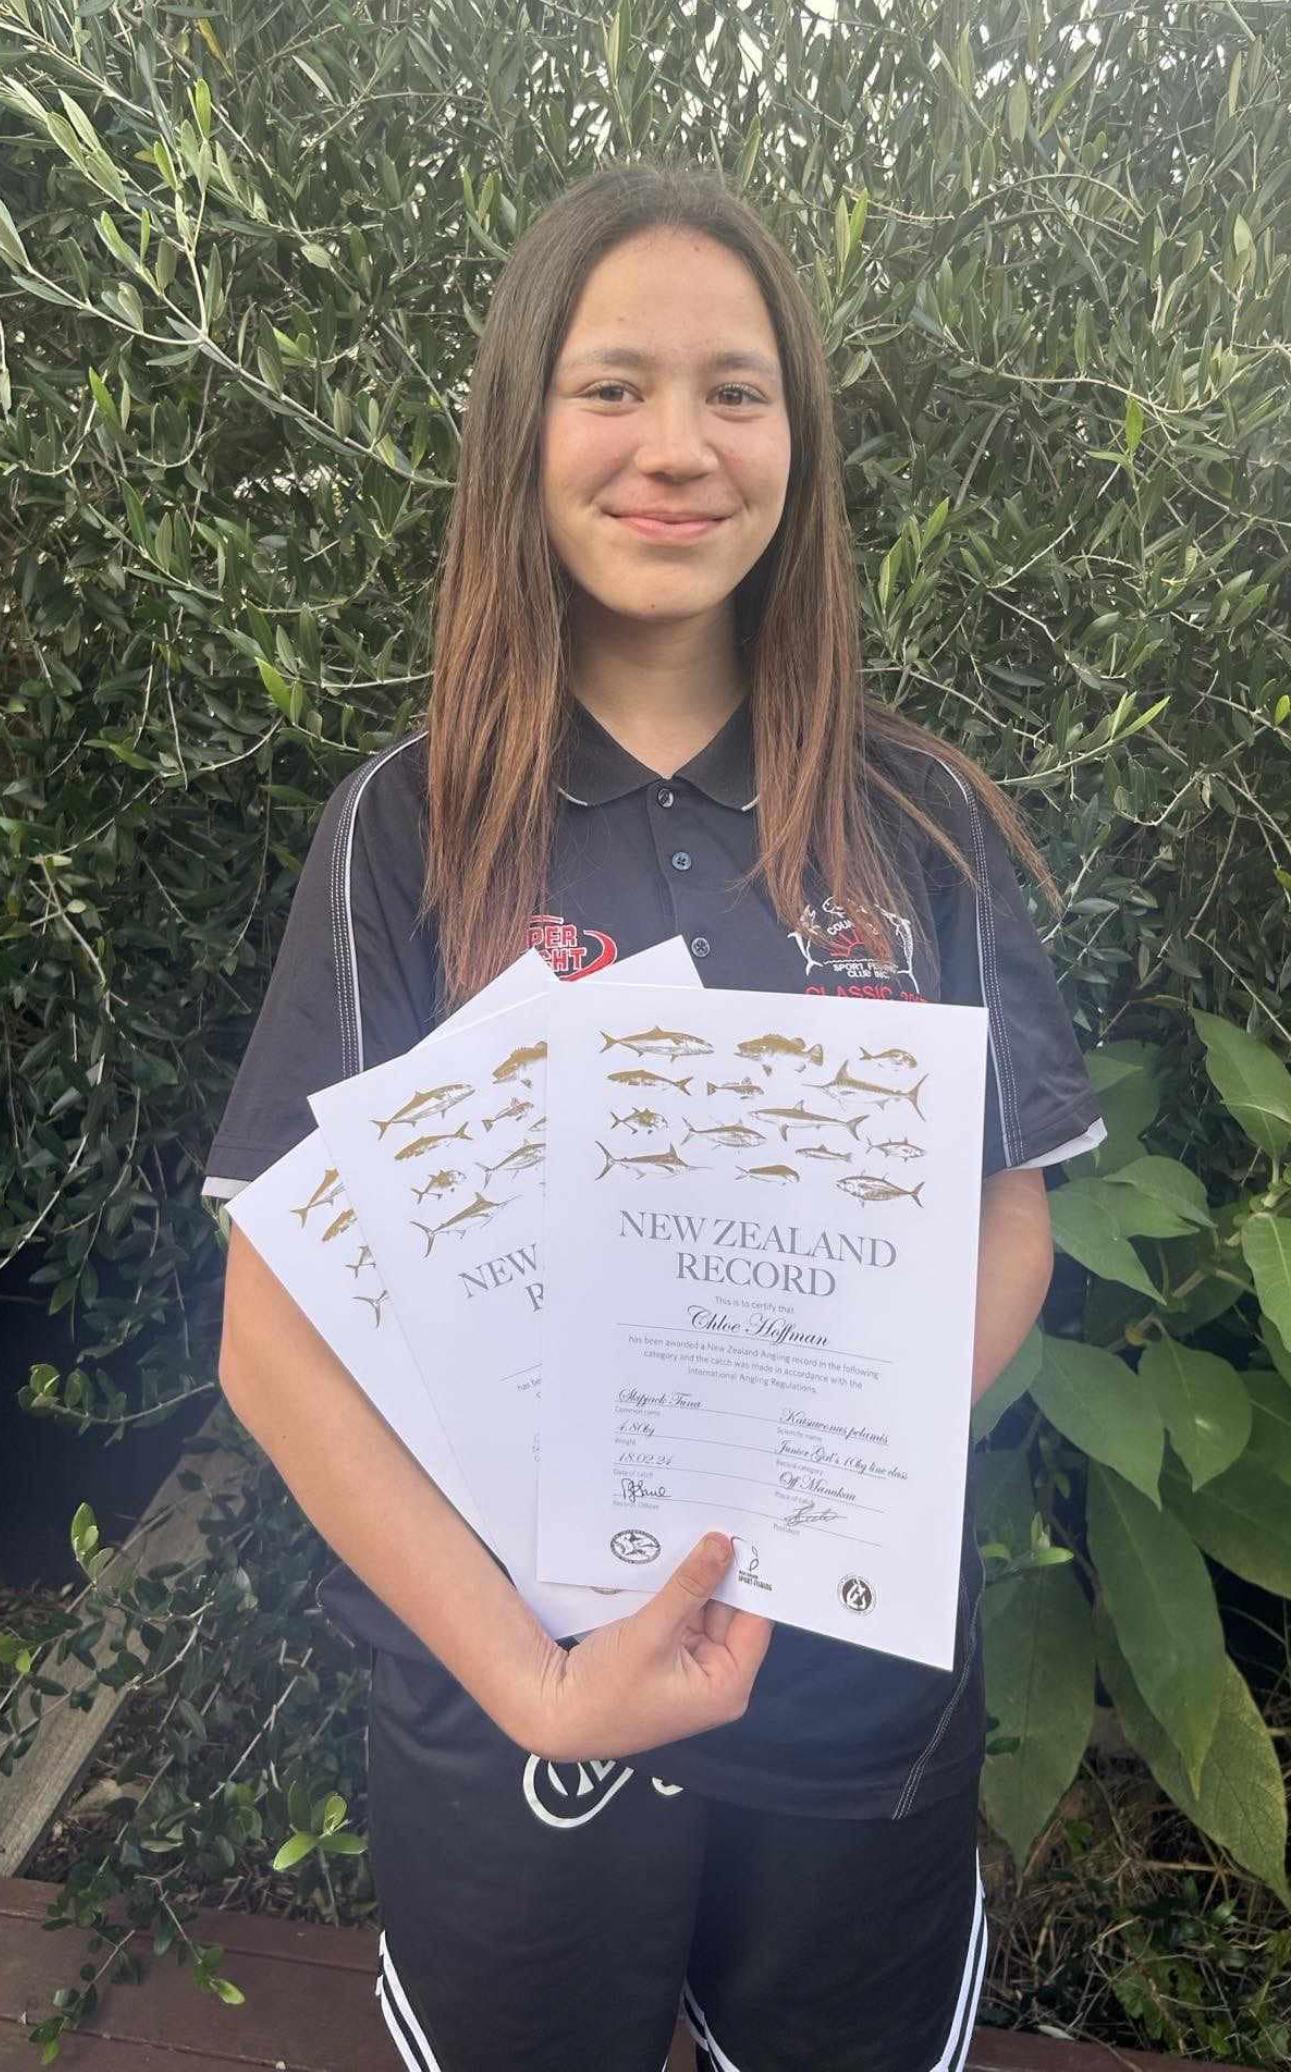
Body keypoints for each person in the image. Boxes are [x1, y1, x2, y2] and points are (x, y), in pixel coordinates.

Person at [204, 163, 1106, 2072]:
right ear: (523, 432)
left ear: (801, 441)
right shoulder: (408, 831)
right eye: (612, 386)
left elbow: (1008, 1211)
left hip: (848, 1705)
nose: (676, 447)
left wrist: (817, 1472)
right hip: (510, 1728)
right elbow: (273, 1335)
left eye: (736, 392)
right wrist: (535, 1684)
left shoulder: (921, 824)